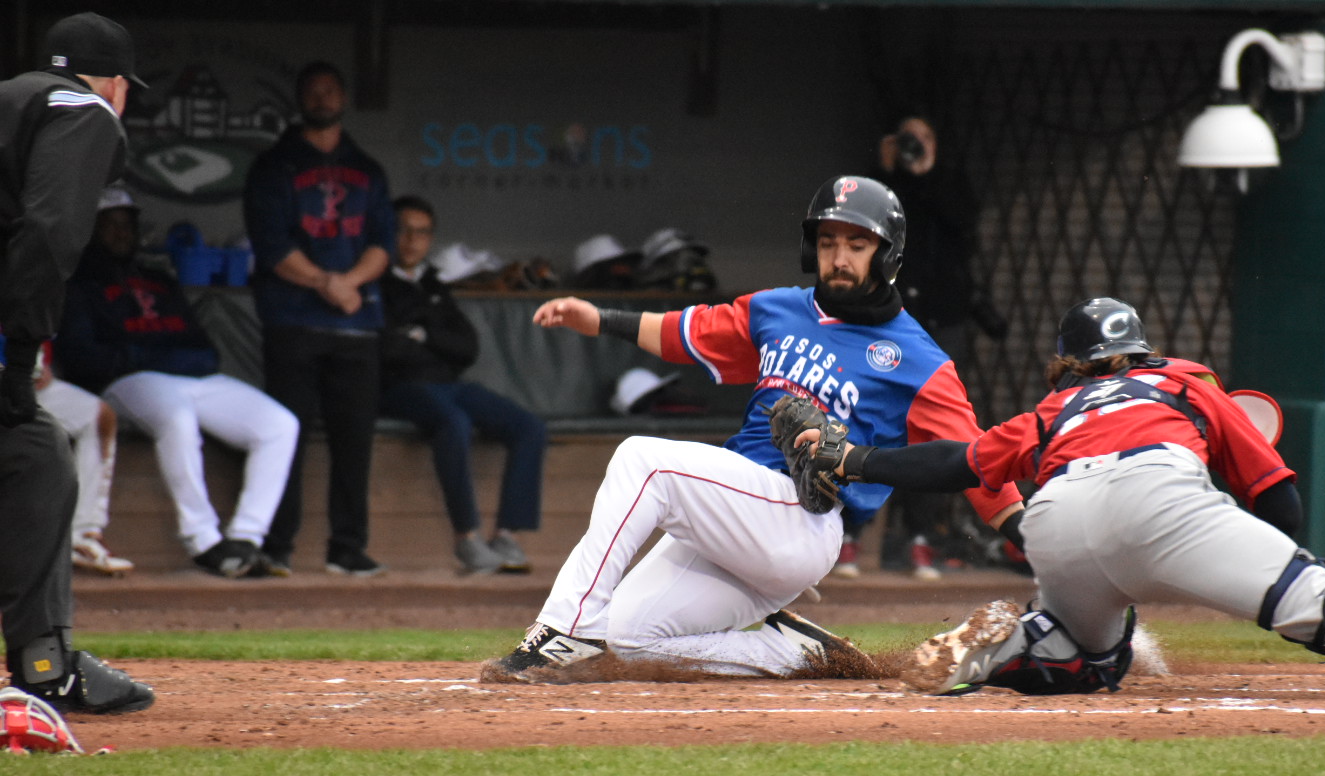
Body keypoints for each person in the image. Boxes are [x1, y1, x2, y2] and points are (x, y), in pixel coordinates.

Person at [783, 297, 1325, 703]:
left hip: (1056, 520)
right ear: (1138, 349)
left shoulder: (1055, 410)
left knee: (1097, 661)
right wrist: (1241, 553)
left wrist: (853, 458)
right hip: (1164, 497)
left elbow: (959, 463)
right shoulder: (1183, 380)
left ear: (1068, 363)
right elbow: (1283, 504)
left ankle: (1009, 642)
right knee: (1313, 596)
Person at [479, 174, 1024, 682]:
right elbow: (681, 332)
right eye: (829, 241)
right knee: (633, 638)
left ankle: (565, 630)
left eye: (857, 245)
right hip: (737, 510)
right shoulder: (777, 309)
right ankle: (799, 652)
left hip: (805, 520)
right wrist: (597, 319)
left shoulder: (918, 358)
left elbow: (976, 462)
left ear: (887, 255)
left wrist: (1028, 535)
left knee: (644, 460)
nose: (839, 257)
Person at [0, 11, 154, 713]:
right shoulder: (84, 109)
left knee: (36, 456)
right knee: (34, 450)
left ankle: (45, 664)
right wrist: (19, 338)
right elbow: (53, 227)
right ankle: (45, 665)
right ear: (117, 84)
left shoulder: (14, 96)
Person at [54, 186, 300, 578]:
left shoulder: (159, 279)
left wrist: (147, 352)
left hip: (189, 377)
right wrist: (147, 356)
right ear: (90, 229)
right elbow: (87, 360)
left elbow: (205, 350)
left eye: (127, 225)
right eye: (110, 225)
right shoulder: (77, 283)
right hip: (127, 384)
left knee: (280, 424)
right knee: (177, 416)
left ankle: (246, 539)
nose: (121, 233)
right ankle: (203, 540)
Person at [242, 60, 395, 577]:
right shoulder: (274, 165)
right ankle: (276, 546)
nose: (322, 98)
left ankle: (346, 548)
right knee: (286, 435)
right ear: (299, 98)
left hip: (357, 325)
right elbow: (272, 246)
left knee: (354, 442)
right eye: (313, 91)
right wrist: (328, 283)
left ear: (344, 97)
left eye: (330, 90)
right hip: (292, 321)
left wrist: (348, 282)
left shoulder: (368, 168)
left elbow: (383, 245)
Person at [833, 114, 997, 582]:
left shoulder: (950, 184)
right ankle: (851, 532)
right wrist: (887, 171)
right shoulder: (882, 189)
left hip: (940, 323)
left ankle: (920, 538)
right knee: (865, 418)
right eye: (907, 139)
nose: (913, 147)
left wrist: (925, 172)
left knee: (931, 428)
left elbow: (964, 224)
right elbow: (868, 228)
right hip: (884, 323)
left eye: (923, 138)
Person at [380, 194, 547, 574]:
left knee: (529, 427)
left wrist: (422, 336)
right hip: (399, 388)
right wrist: (431, 342)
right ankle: (467, 539)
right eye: (403, 231)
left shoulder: (433, 284)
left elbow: (466, 348)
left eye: (421, 233)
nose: (411, 241)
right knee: (454, 421)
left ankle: (506, 535)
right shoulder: (374, 281)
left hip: (448, 383)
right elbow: (387, 349)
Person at [30, 341, 132, 575]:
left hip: (24, 387)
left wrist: (33, 364)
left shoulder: (37, 304)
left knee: (96, 416)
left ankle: (83, 534)